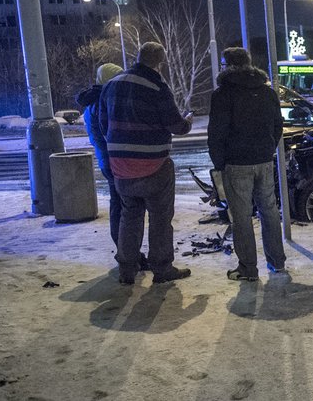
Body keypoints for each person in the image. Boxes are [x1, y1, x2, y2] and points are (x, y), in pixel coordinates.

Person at [99, 42, 193, 285]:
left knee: (130, 216)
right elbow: (176, 125)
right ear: (159, 62)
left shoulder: (112, 84)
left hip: (121, 166)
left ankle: (126, 270)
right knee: (161, 219)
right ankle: (162, 269)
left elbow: (103, 124)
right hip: (153, 165)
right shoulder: (157, 86)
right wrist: (187, 122)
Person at [208, 47, 287, 281]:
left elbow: (216, 133)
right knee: (270, 212)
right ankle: (277, 262)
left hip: (236, 163)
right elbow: (277, 126)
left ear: (227, 65)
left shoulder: (223, 94)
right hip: (263, 160)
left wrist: (219, 164)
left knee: (241, 217)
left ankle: (248, 268)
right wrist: (267, 148)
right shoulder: (267, 92)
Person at [76, 63, 151, 267]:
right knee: (126, 208)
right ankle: (128, 255)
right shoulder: (103, 101)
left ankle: (127, 253)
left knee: (120, 205)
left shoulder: (95, 101)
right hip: (116, 161)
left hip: (108, 160)